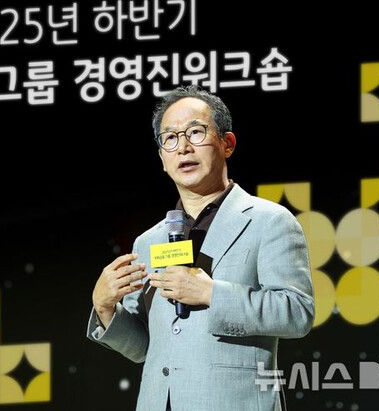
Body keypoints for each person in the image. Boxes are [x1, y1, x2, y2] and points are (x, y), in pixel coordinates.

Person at [86, 85, 315, 411]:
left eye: (195, 132)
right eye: (170, 138)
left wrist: (210, 293)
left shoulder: (269, 221)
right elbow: (144, 347)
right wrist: (106, 308)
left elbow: (297, 313)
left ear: (227, 143)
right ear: (162, 158)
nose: (183, 147)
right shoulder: (148, 241)